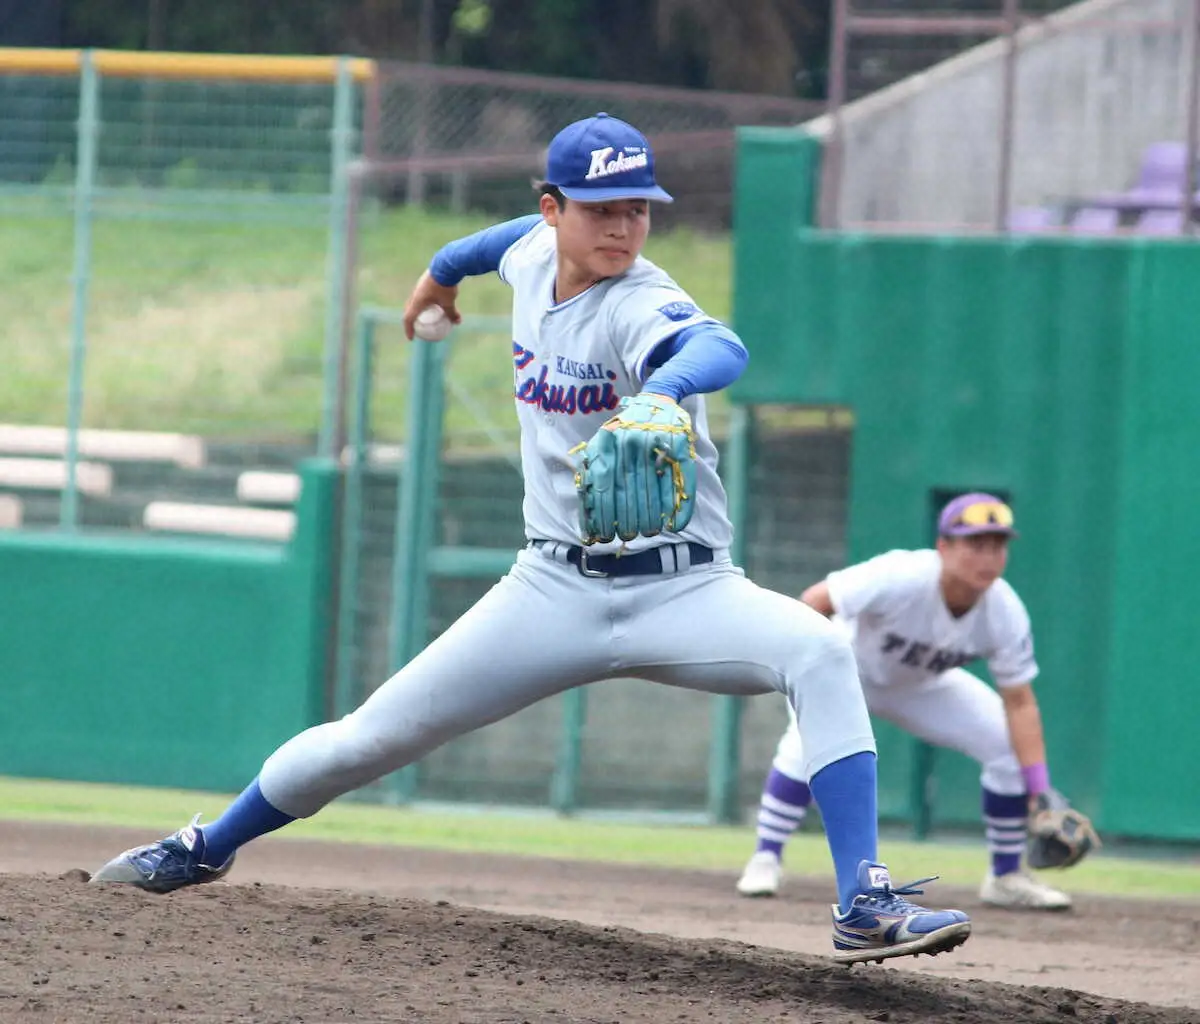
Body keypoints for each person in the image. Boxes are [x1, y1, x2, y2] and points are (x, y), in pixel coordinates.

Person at [90, 112, 970, 964]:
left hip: (686, 589)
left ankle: (863, 900)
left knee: (820, 651)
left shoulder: (641, 300)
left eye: (638, 209)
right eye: (601, 210)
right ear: (553, 209)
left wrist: (664, 394)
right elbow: (481, 247)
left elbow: (718, 344)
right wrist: (438, 278)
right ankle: (204, 845)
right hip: (549, 591)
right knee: (363, 741)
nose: (624, 228)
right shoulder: (529, 251)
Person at [736, 493, 1072, 911]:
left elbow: (1020, 702)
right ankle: (766, 856)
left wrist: (1039, 791)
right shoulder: (902, 574)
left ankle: (1005, 877)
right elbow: (816, 600)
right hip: (846, 671)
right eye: (976, 544)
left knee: (1006, 745)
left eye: (998, 546)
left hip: (918, 685)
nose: (989, 557)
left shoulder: (1004, 610)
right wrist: (802, 667)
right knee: (804, 745)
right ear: (944, 546)